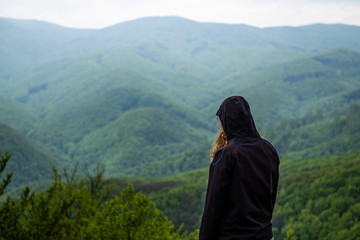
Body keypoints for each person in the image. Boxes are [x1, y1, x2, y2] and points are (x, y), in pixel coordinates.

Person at [199, 96, 279, 240]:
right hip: (264, 235)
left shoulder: (225, 155)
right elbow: (271, 197)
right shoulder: (269, 149)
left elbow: (213, 207)